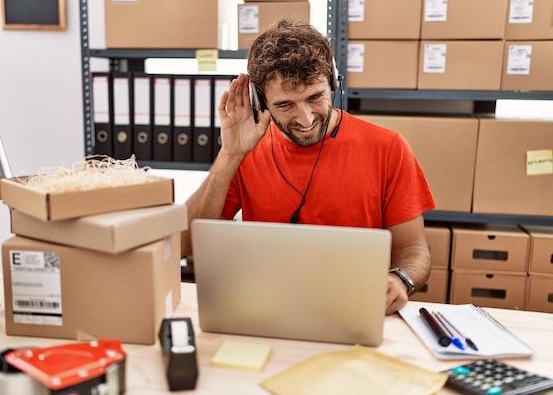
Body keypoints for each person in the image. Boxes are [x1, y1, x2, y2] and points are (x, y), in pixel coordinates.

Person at [180, 19, 436, 315]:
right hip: (264, 311)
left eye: (315, 98)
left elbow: (415, 251)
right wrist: (229, 154)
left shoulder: (388, 148)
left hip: (355, 311)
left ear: (334, 83)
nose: (305, 119)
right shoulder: (246, 151)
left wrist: (401, 279)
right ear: (261, 103)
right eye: (285, 105)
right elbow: (186, 242)